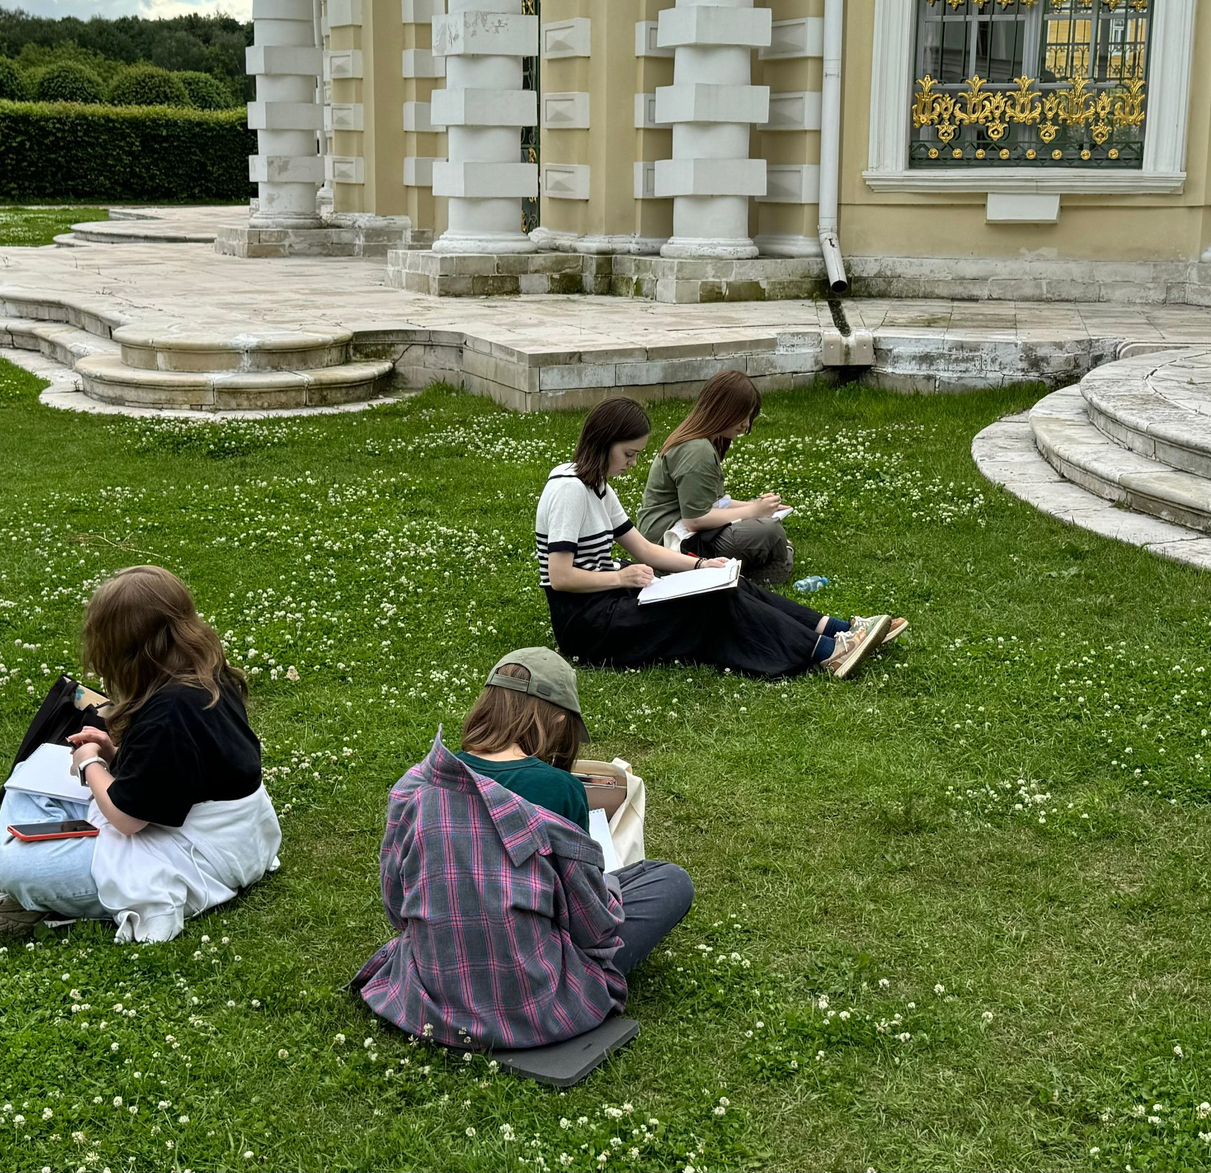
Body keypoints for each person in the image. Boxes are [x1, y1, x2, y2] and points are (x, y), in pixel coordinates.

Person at [352, 650, 692, 1051]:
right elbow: (589, 925)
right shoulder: (560, 790)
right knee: (668, 880)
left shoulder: (417, 786)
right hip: (539, 1002)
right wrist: (608, 890)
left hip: (434, 998)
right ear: (561, 719)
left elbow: (396, 908)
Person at [0, 565, 280, 942]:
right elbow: (176, 770)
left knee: (17, 865)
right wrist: (114, 753)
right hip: (234, 835)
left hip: (198, 856)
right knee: (29, 779)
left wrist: (92, 763)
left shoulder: (171, 711)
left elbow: (128, 820)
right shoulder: (204, 674)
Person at [538, 397, 897, 679]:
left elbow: (644, 548)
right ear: (603, 443)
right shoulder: (570, 490)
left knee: (721, 582)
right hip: (588, 627)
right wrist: (620, 577)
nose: (632, 464)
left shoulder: (596, 485)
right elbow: (561, 577)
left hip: (612, 601)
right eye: (628, 454)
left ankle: (841, 630)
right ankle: (827, 652)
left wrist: (702, 565)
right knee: (712, 602)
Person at [636, 370, 796, 586]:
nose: (746, 425)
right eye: (743, 415)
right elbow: (695, 519)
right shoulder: (697, 450)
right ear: (723, 409)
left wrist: (756, 505)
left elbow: (715, 502)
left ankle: (773, 555)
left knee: (766, 527)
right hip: (671, 542)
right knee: (770, 531)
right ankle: (770, 568)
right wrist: (753, 512)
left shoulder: (702, 442)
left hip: (682, 534)